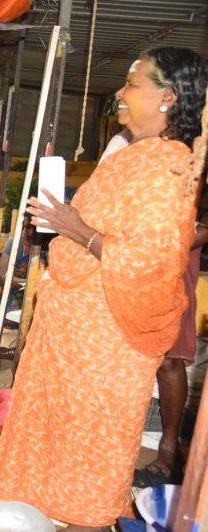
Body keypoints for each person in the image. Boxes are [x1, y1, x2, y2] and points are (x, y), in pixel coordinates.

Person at [0, 47, 208, 531]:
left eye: (132, 83)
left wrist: (76, 229)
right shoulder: (134, 156)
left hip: (107, 344)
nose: (120, 93)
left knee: (91, 448)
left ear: (168, 97)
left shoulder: (168, 169)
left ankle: (84, 521)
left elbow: (148, 261)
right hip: (75, 335)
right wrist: (63, 224)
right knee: (56, 438)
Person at [100, 129, 208, 489]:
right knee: (128, 345)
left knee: (168, 356)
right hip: (132, 256)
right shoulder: (132, 145)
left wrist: (166, 242)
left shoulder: (194, 154)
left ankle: (167, 450)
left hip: (171, 257)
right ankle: (121, 443)